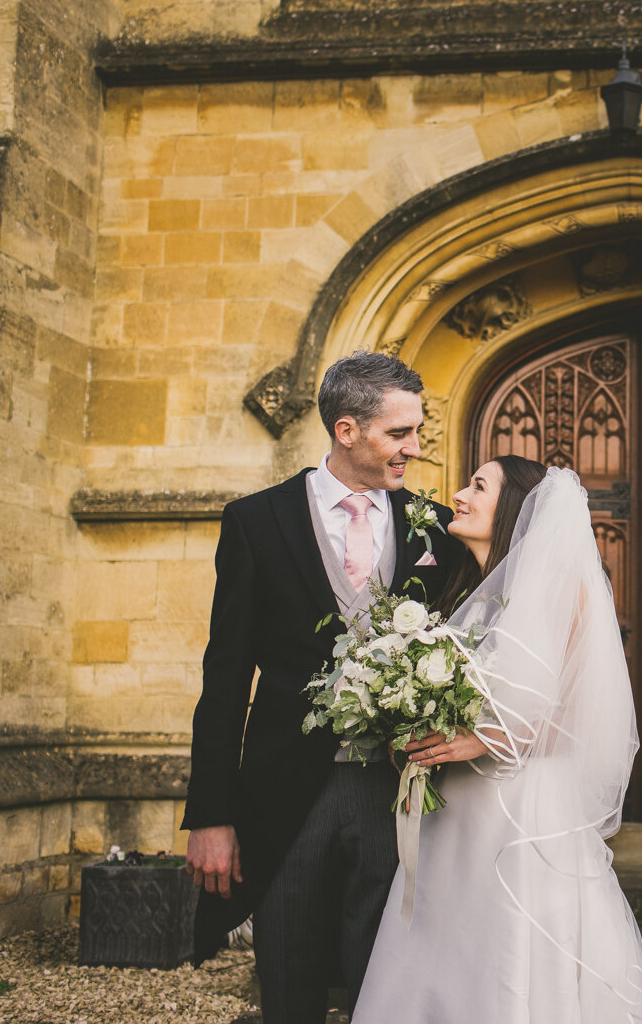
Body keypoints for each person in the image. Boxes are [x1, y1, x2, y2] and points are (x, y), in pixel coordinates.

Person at [182, 351, 469, 1023]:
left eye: (417, 431)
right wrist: (211, 814)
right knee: (289, 975)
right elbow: (224, 676)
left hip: (395, 788)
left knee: (388, 979)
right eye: (400, 433)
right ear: (347, 430)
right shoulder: (256, 521)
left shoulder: (434, 528)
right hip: (287, 791)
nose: (416, 448)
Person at [353, 456, 642, 1024]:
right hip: (453, 814)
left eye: (478, 486)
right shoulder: (460, 593)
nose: (459, 496)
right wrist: (409, 726)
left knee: (508, 940)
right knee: (444, 937)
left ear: (517, 508)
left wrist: (483, 740)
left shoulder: (562, 588)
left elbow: (579, 716)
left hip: (520, 809)